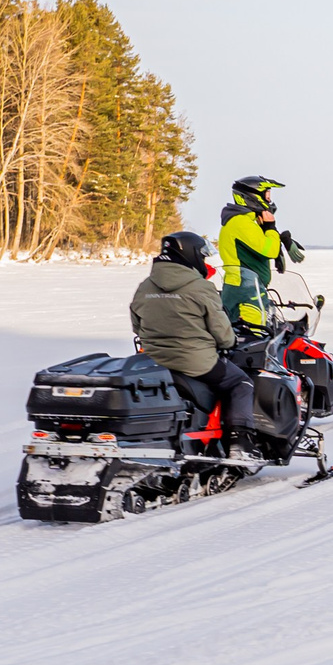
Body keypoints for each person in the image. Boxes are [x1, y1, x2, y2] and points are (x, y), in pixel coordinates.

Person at [131, 231, 257, 459]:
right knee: (240, 382)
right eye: (202, 255)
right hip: (196, 362)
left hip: (152, 361)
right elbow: (223, 334)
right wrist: (229, 342)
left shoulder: (146, 286)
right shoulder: (200, 287)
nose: (204, 260)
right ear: (190, 255)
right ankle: (239, 442)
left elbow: (136, 325)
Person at [217, 175, 303, 336]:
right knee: (254, 337)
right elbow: (267, 249)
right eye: (267, 196)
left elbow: (260, 246)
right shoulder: (240, 222)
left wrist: (277, 237)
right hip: (244, 288)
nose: (269, 201)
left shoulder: (245, 221)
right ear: (252, 197)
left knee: (254, 333)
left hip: (248, 285)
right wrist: (270, 227)